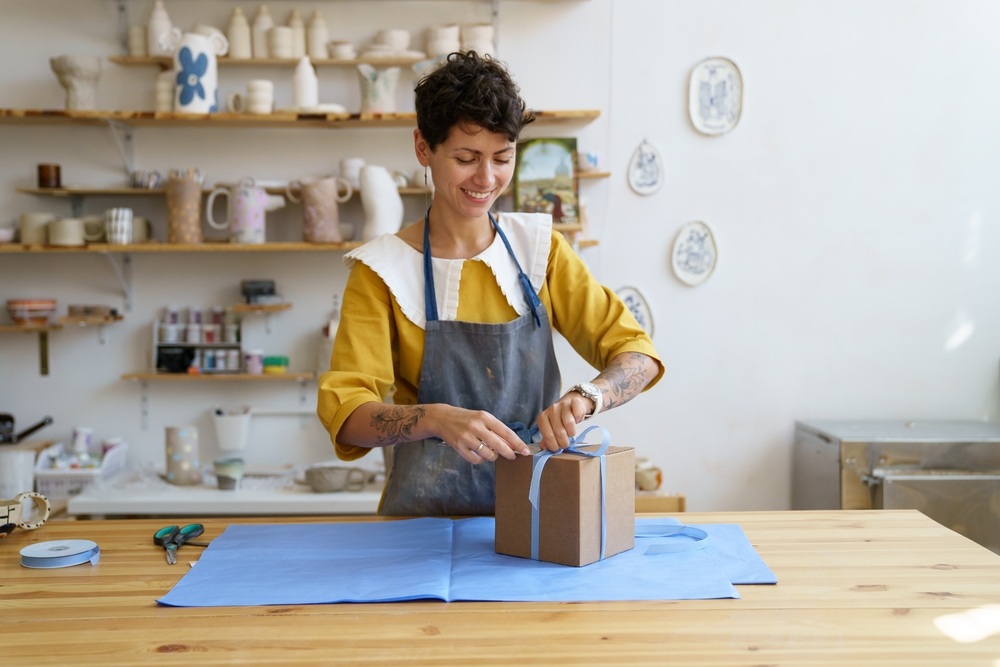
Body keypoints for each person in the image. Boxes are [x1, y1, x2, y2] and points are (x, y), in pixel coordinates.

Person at [317, 51, 663, 516]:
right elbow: (346, 414)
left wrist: (588, 397)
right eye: (466, 158)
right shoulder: (382, 271)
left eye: (502, 158)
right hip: (421, 528)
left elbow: (638, 355)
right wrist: (434, 418)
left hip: (538, 518)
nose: (486, 178)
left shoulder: (542, 251)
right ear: (423, 148)